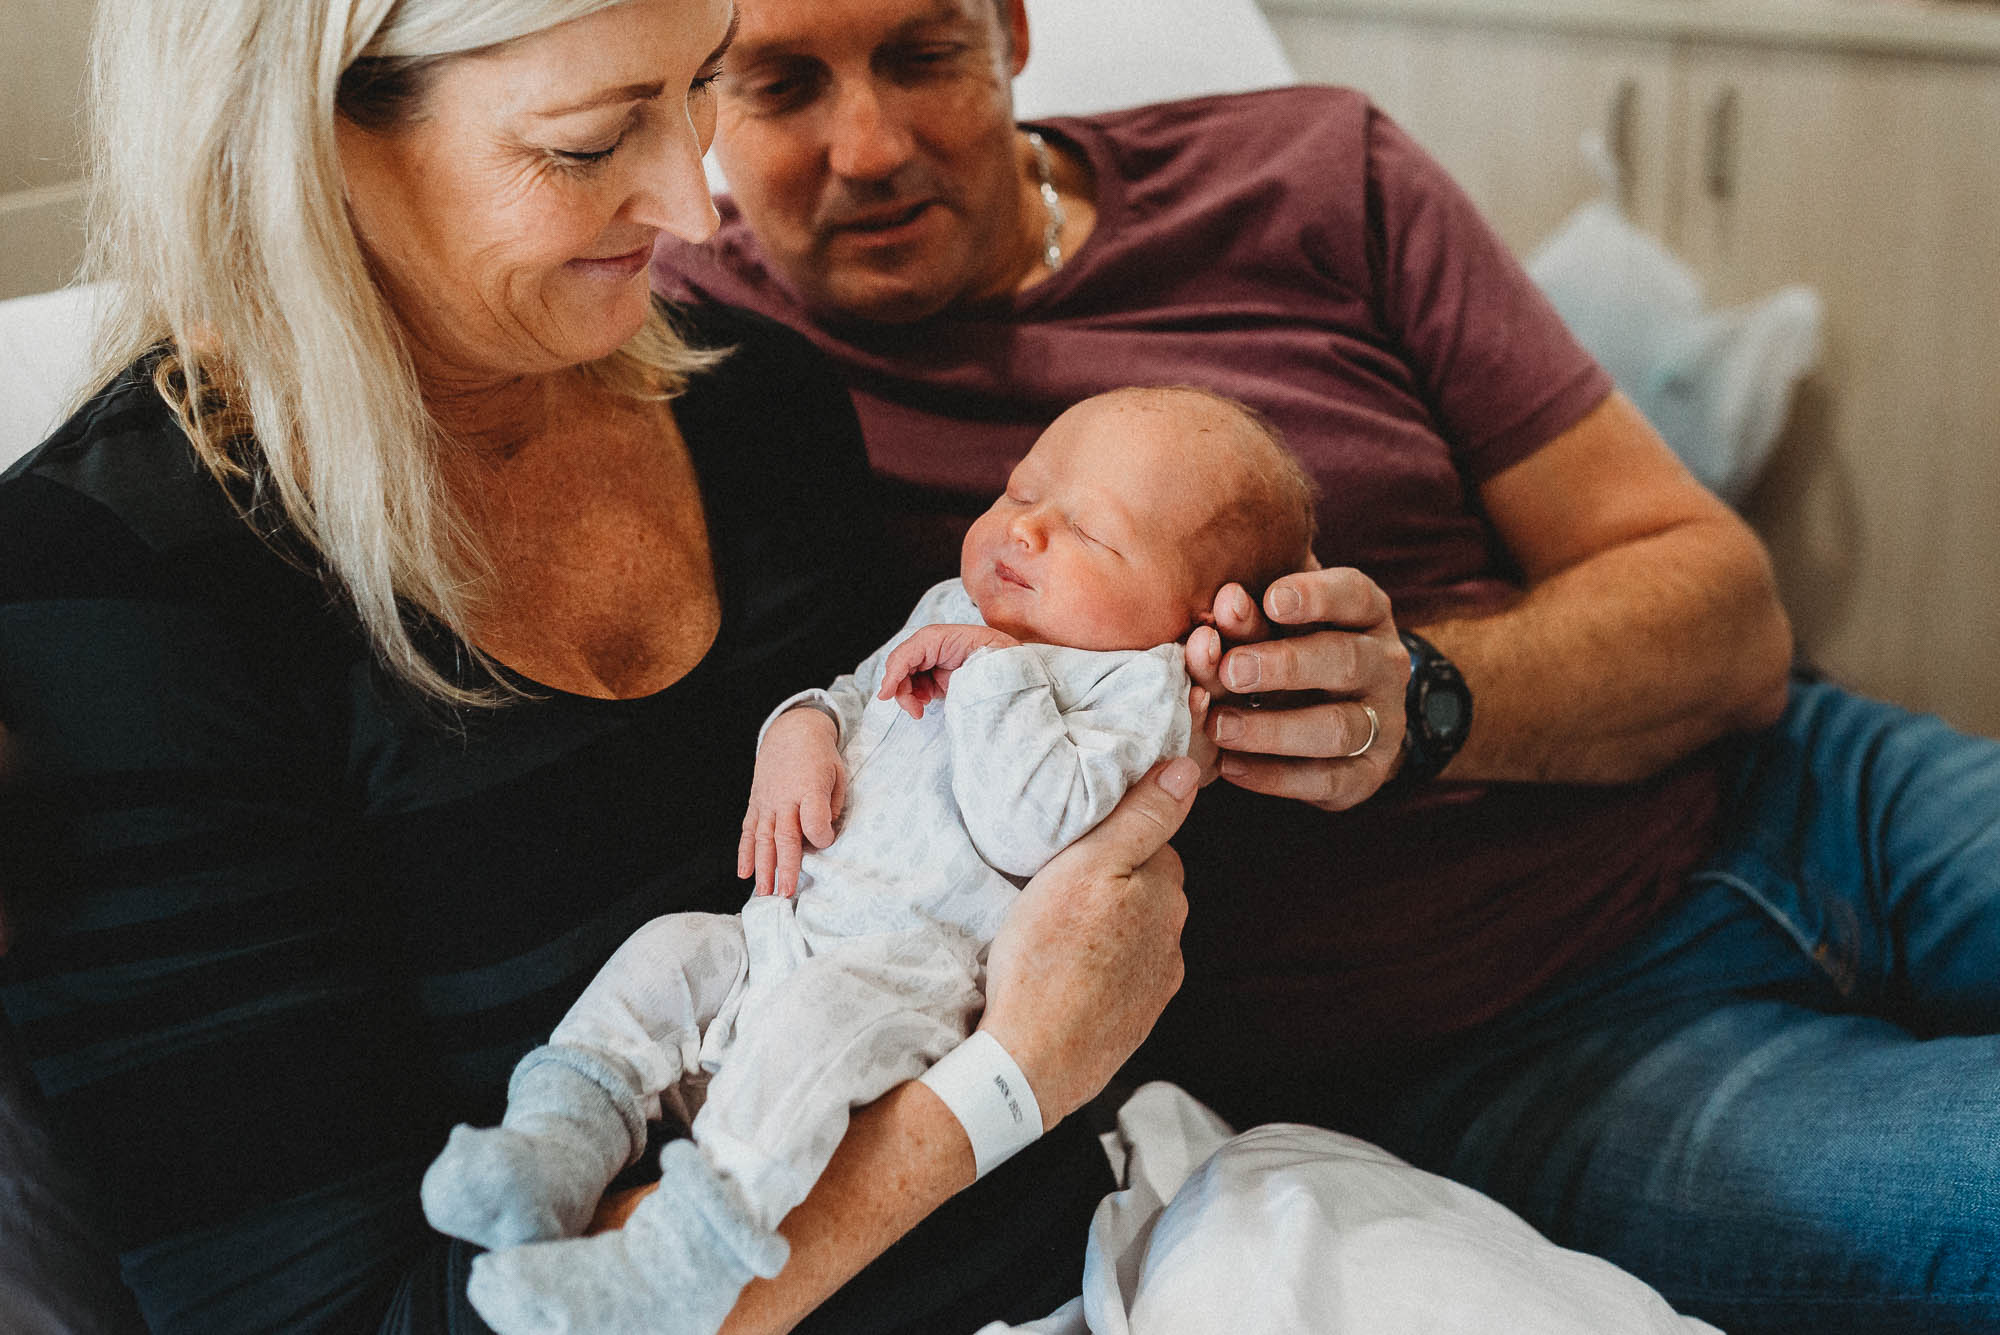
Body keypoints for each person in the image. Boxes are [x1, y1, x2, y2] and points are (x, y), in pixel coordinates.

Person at [651, 0, 2000, 1330]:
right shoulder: (691, 370)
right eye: (780, 86)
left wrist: (1426, 699)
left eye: (921, 53)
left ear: (1009, 29)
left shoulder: (1310, 175)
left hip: (1822, 788)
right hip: (1517, 1045)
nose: (871, 144)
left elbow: (1732, 617)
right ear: (697, 98)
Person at [0, 3, 1205, 1332]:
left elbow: (971, 843)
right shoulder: (111, 585)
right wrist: (1006, 1080)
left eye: (696, 87)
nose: (694, 205)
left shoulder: (759, 405)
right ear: (310, 139)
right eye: (587, 141)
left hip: (1123, 1258)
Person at [421, 385, 1314, 1334]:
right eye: (1020, 492)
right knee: (663, 955)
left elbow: (1032, 823)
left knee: (803, 1051)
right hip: (781, 924)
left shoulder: (1138, 691)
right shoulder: (955, 604)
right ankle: (554, 1145)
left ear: (1188, 617)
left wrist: (990, 668)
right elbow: (861, 694)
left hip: (905, 977)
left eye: (1091, 532)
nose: (1028, 530)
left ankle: (672, 1265)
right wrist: (798, 727)